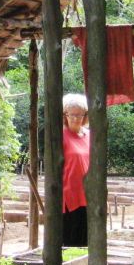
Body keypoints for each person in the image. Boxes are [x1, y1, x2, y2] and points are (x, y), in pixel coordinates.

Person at [61, 93, 90, 248]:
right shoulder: (60, 136)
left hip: (88, 194)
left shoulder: (89, 135)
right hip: (69, 195)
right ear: (65, 114)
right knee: (71, 239)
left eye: (80, 114)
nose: (75, 118)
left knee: (86, 239)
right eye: (72, 114)